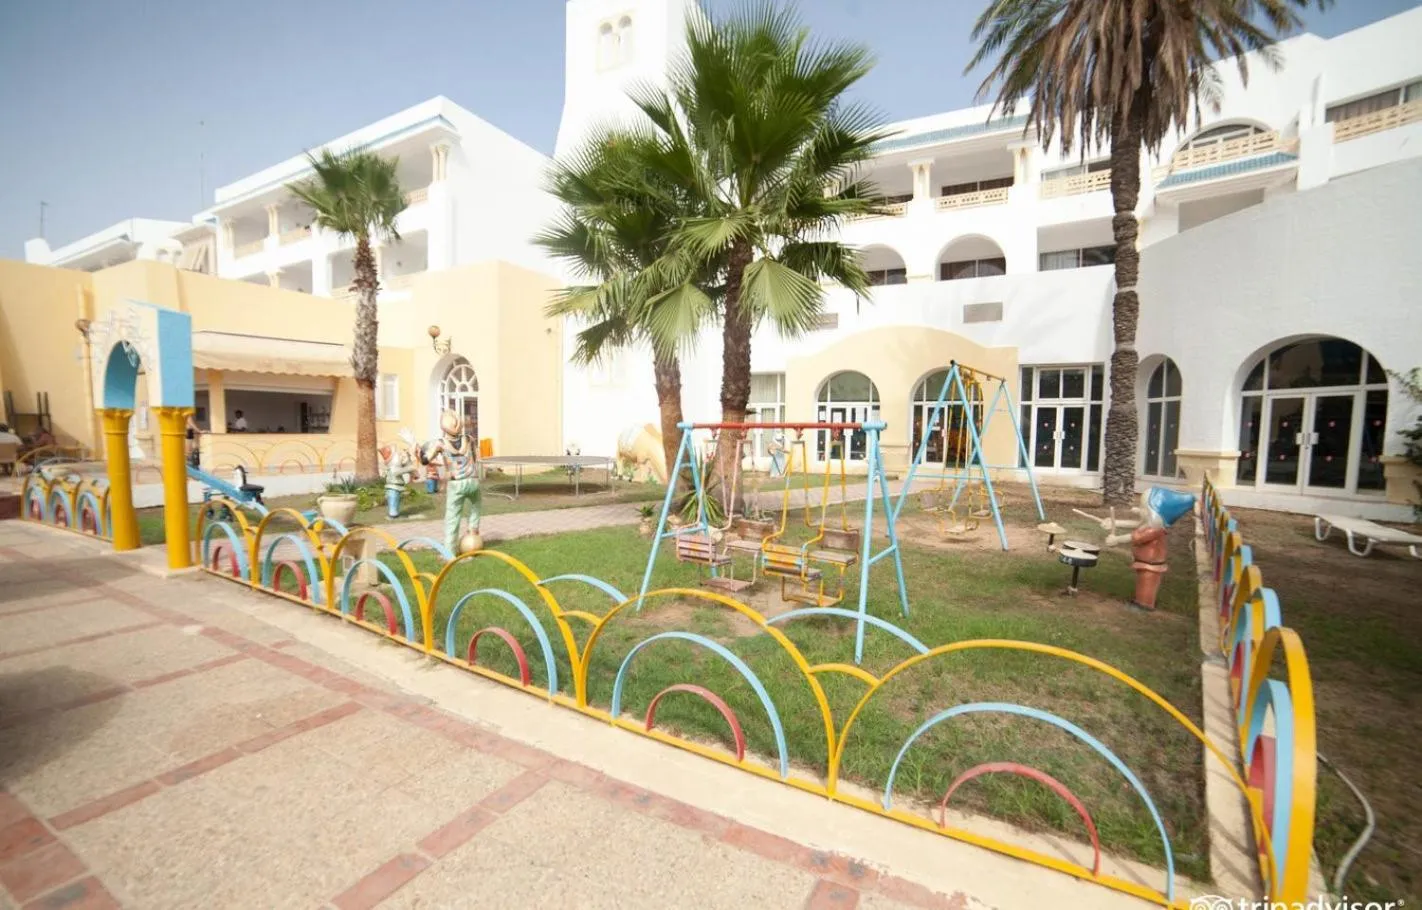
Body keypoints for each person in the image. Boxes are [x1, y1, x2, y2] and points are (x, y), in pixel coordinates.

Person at [425, 410, 481, 554]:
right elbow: (475, 458)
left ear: (443, 426)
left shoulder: (440, 444)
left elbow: (426, 460)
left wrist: (414, 448)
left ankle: (449, 553)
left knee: (452, 518)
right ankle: (473, 538)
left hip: (456, 484)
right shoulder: (469, 439)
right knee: (475, 508)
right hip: (473, 480)